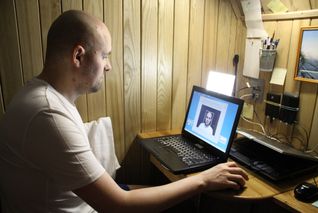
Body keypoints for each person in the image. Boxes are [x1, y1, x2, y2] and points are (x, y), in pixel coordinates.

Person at [0, 10, 248, 213]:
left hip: (88, 203)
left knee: (173, 196)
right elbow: (118, 205)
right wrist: (204, 179)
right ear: (78, 55)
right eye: (105, 55)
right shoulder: (48, 114)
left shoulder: (46, 97)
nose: (108, 66)